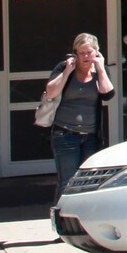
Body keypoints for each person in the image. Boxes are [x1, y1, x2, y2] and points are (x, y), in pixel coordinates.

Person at [41, 33, 114, 196]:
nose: (86, 56)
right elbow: (51, 93)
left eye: (89, 52)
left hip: (91, 135)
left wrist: (101, 67)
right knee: (67, 182)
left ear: (97, 51)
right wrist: (67, 71)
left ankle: (81, 219)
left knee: (88, 181)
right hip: (65, 133)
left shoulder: (100, 70)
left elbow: (108, 94)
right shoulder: (64, 67)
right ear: (75, 53)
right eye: (82, 53)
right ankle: (62, 220)